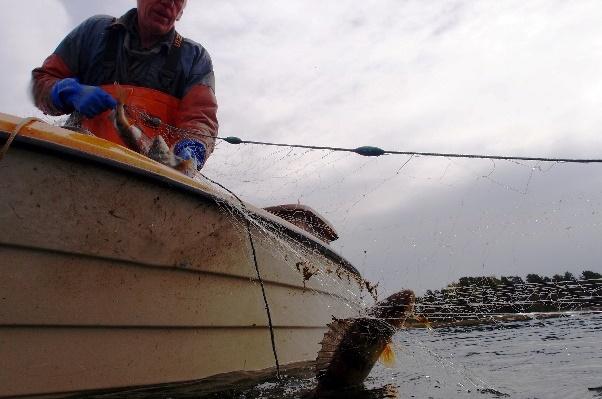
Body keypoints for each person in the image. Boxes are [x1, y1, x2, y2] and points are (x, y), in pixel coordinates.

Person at [30, 0, 218, 173]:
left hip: (151, 184)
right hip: (75, 166)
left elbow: (200, 120)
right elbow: (42, 80)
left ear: (181, 12)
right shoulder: (93, 32)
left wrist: (195, 147)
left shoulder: (195, 58)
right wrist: (63, 91)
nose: (168, 2)